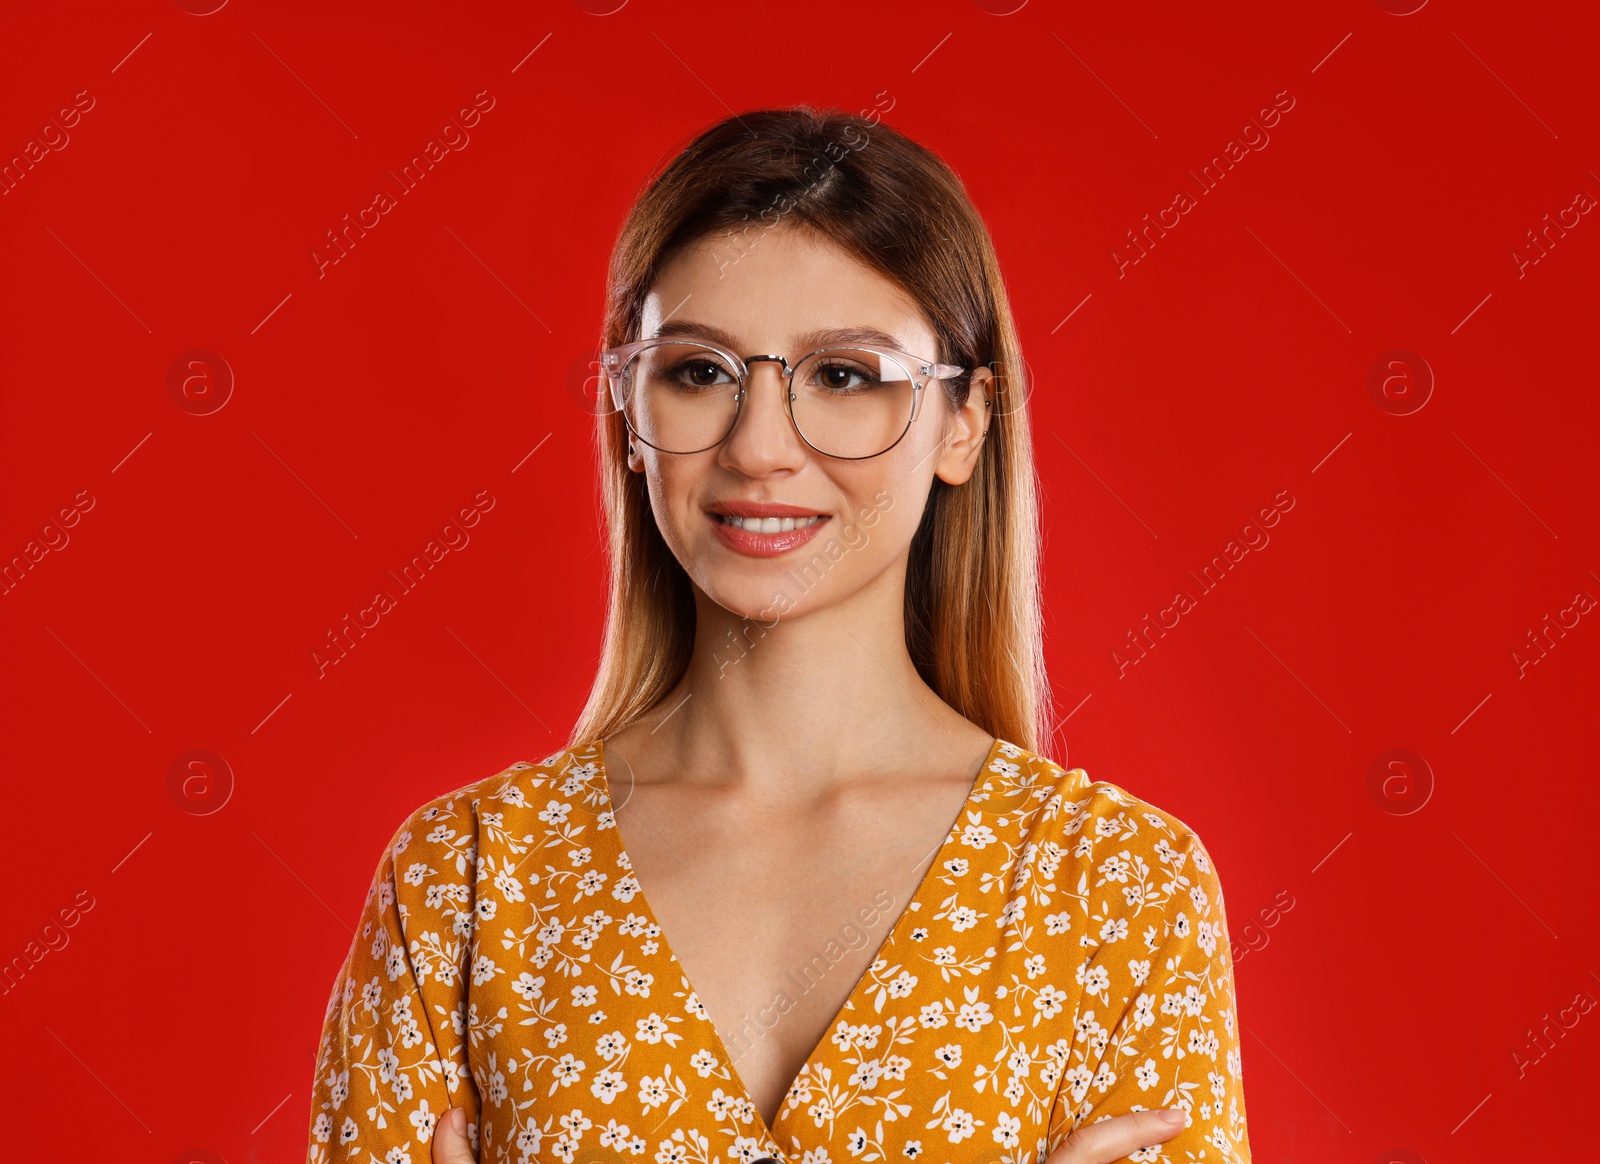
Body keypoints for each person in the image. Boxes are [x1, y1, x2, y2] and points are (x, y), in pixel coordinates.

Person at [306, 105, 1252, 1164]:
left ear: (965, 423)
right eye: (699, 371)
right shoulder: (464, 885)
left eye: (844, 376)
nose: (759, 448)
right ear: (626, 413)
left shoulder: (1117, 887)